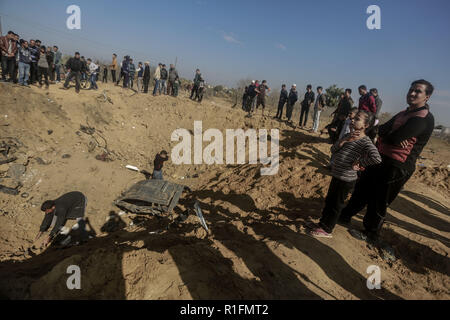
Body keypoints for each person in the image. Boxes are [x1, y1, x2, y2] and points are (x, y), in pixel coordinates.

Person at [340, 80, 435, 243]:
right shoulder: (403, 114)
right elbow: (380, 129)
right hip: (379, 158)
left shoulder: (424, 117)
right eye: (411, 89)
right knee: (362, 188)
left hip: (397, 166)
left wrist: (391, 136)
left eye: (417, 91)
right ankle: (344, 215)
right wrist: (388, 135)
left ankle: (371, 233)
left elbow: (395, 137)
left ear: (427, 96)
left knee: (379, 200)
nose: (412, 93)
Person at [307, 110, 381, 238]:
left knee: (336, 205)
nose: (352, 120)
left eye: (357, 119)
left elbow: (377, 158)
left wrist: (360, 162)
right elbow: (333, 149)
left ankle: (327, 230)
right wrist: (345, 140)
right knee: (329, 201)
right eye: (353, 118)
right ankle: (321, 224)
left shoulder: (365, 141)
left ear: (366, 125)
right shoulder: (348, 135)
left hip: (346, 179)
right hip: (337, 175)